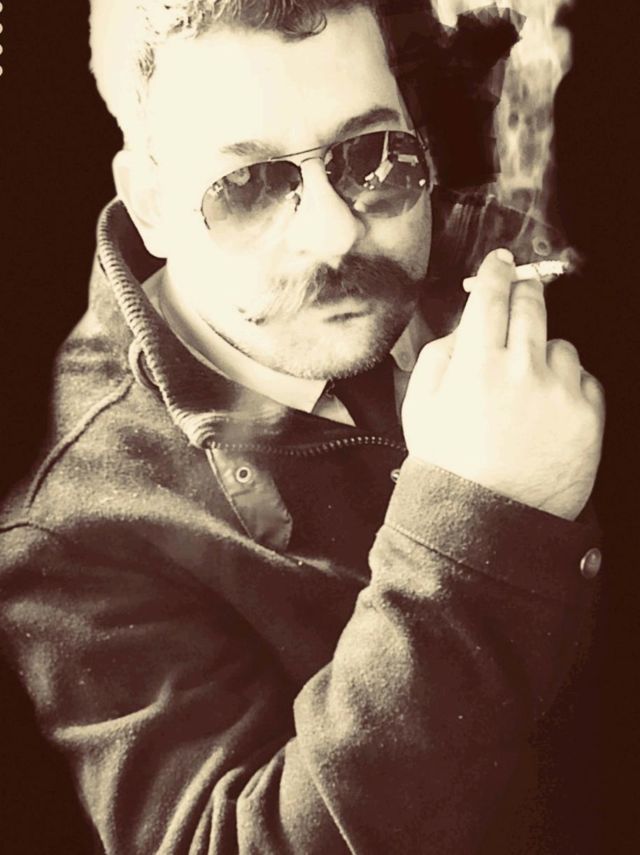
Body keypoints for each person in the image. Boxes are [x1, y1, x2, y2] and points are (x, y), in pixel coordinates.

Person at [0, 1, 605, 852]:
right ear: (152, 206)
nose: (334, 231)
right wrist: (479, 518)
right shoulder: (69, 527)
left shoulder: (497, 254)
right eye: (245, 186)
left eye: (372, 154)